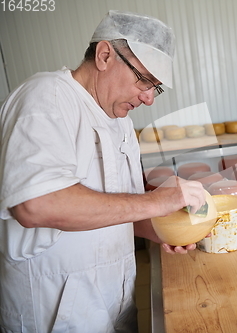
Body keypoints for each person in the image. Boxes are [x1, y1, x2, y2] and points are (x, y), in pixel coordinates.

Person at [0, 10, 207, 333]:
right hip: (52, 311)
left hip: (110, 302)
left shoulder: (120, 122)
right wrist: (157, 202)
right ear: (105, 55)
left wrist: (164, 229)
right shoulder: (46, 97)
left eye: (156, 87)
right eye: (144, 80)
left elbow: (116, 208)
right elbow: (35, 204)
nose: (149, 99)